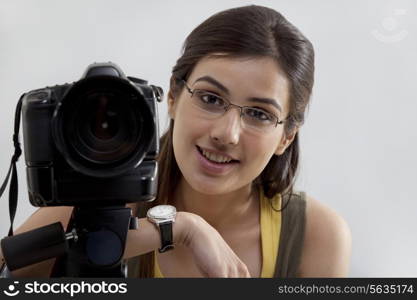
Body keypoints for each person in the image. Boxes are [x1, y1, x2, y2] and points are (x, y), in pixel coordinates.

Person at [0, 5, 351, 278]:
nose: (226, 134)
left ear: (286, 136)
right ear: (172, 96)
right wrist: (175, 230)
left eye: (258, 114)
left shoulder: (315, 236)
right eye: (211, 99)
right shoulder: (93, 203)